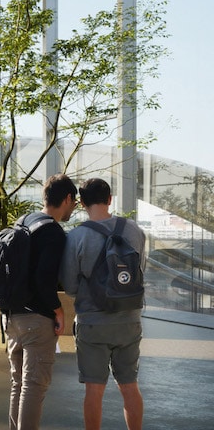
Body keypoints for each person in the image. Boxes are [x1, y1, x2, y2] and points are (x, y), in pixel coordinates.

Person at [60, 177, 145, 430]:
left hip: (93, 322)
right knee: (130, 386)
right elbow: (139, 272)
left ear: (82, 202)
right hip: (130, 320)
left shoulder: (76, 237)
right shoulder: (134, 230)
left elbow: (70, 286)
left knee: (94, 391)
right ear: (110, 199)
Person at [2, 172, 78, 430]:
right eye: (75, 201)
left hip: (11, 316)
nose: (75, 207)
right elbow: (45, 281)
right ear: (67, 198)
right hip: (36, 319)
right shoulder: (53, 232)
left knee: (18, 383)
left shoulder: (23, 222)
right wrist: (58, 311)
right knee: (34, 386)